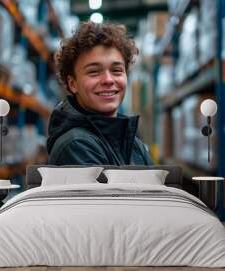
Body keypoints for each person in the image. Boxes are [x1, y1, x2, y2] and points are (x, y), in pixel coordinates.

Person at [47, 21, 153, 166]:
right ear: (73, 84)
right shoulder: (77, 146)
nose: (108, 80)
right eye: (93, 72)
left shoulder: (133, 144)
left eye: (116, 70)